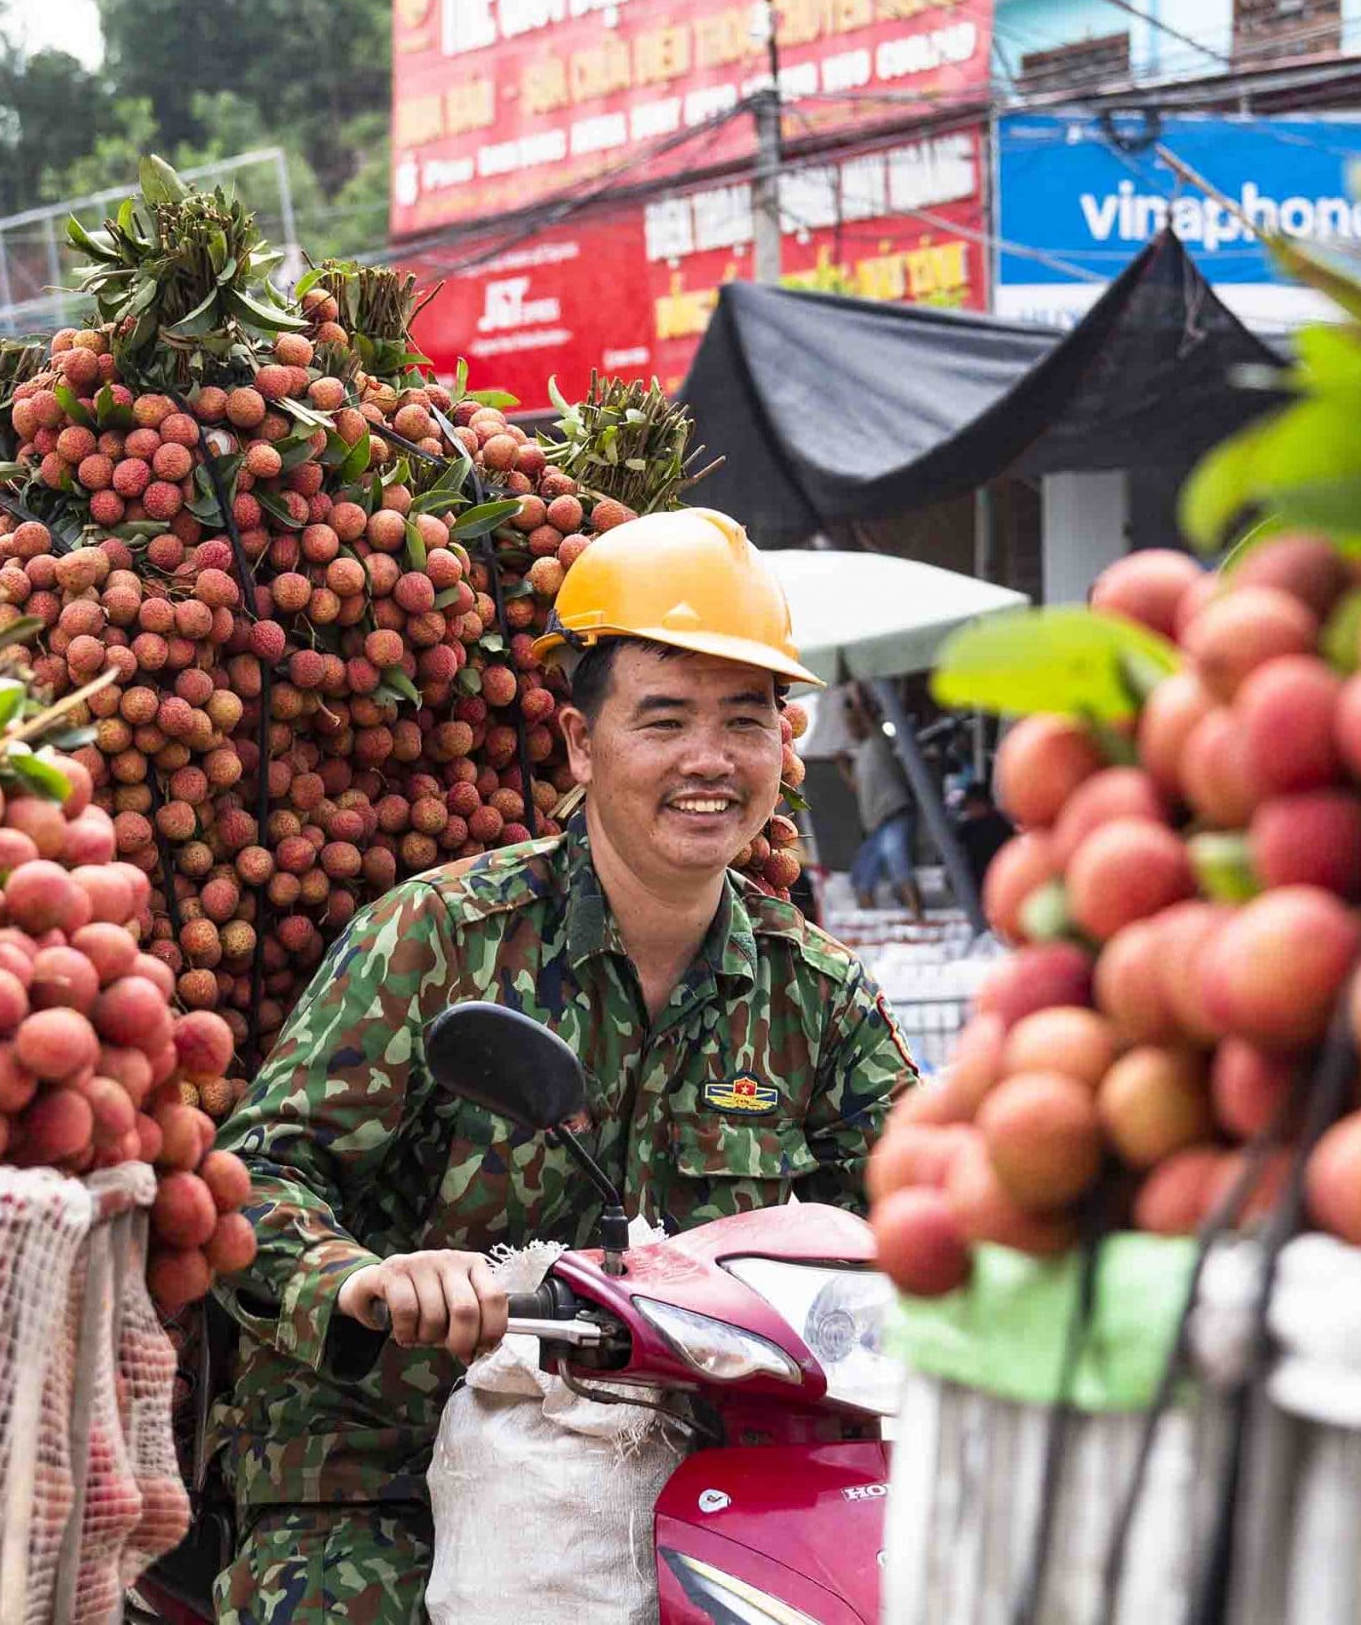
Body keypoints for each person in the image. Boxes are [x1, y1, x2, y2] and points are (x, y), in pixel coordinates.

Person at [207, 507, 915, 1623]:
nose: (708, 761)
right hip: (379, 1479)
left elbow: (921, 1211)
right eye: (664, 720)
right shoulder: (442, 938)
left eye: (745, 721)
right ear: (583, 745)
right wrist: (364, 1281)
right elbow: (255, 1180)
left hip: (692, 1466)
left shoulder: (814, 994)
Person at [842, 684, 925, 918]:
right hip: (877, 824)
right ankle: (872, 921)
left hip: (894, 815)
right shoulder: (860, 755)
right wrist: (842, 765)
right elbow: (855, 786)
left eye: (854, 723)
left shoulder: (877, 742)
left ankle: (917, 914)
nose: (851, 728)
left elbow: (868, 718)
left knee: (897, 860)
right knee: (862, 875)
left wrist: (856, 698)